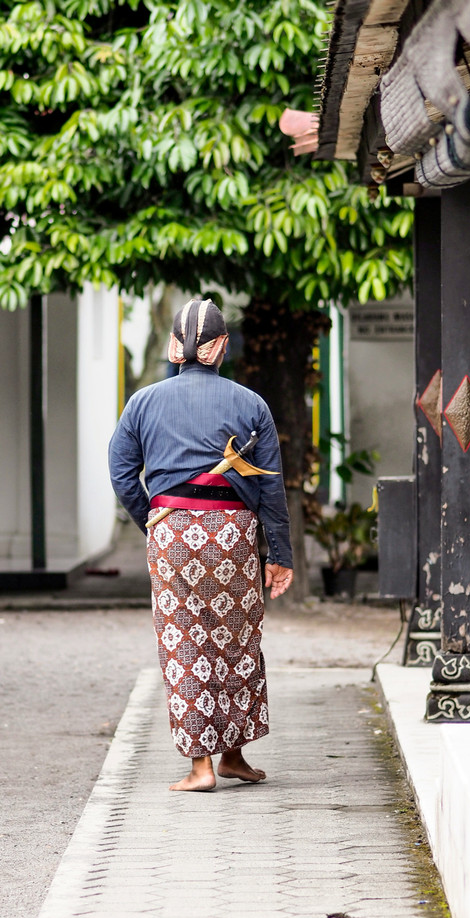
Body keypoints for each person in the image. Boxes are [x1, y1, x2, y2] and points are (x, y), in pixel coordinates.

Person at [108, 298, 293, 791]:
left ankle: (201, 768)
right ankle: (234, 754)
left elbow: (122, 473)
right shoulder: (251, 403)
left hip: (171, 531)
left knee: (184, 642)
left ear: (175, 346)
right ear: (221, 347)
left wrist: (153, 522)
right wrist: (279, 555)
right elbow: (271, 488)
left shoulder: (142, 402)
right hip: (233, 534)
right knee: (237, 640)